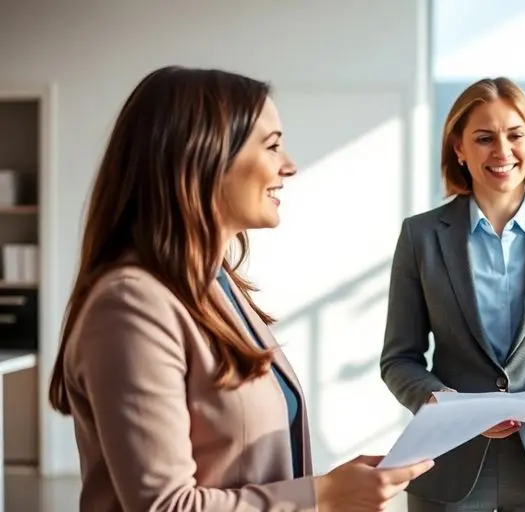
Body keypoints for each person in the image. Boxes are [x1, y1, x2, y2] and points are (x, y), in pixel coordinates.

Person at [46, 66, 433, 512]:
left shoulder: (217, 283)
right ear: (203, 158)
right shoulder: (131, 305)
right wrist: (322, 496)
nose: (289, 165)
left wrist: (338, 486)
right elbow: (165, 505)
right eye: (271, 146)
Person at [379, 77, 525, 511]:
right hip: (449, 468)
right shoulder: (421, 235)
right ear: (458, 149)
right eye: (484, 138)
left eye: (514, 135)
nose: (502, 151)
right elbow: (399, 358)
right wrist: (443, 405)